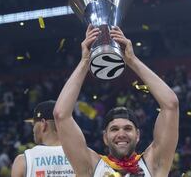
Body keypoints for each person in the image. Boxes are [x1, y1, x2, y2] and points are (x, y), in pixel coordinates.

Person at [53, 25, 179, 176]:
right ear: (105, 137)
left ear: (137, 135)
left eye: (127, 128)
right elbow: (61, 115)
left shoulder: (153, 163)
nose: (121, 134)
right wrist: (85, 61)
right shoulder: (91, 166)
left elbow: (171, 105)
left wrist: (132, 60)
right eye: (114, 129)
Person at [11, 100, 75, 177]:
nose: (33, 129)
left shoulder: (23, 161)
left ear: (43, 124)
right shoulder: (88, 156)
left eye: (34, 124)